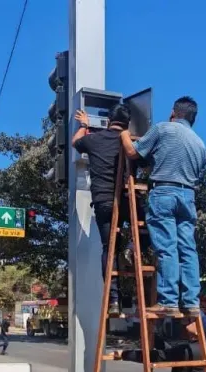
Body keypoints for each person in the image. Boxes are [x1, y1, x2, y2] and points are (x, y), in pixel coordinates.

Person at [120, 97, 206, 317]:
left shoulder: (162, 129)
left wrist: (123, 134)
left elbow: (133, 153)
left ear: (173, 113)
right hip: (188, 196)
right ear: (193, 118)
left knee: (166, 248)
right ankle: (190, 303)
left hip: (164, 192)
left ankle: (168, 301)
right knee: (188, 249)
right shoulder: (200, 145)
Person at [73, 104, 147, 316]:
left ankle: (114, 300)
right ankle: (132, 248)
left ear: (108, 122)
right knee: (147, 229)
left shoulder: (94, 139)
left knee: (109, 247)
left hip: (103, 200)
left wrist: (84, 125)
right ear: (127, 125)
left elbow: (75, 142)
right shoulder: (129, 142)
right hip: (128, 199)